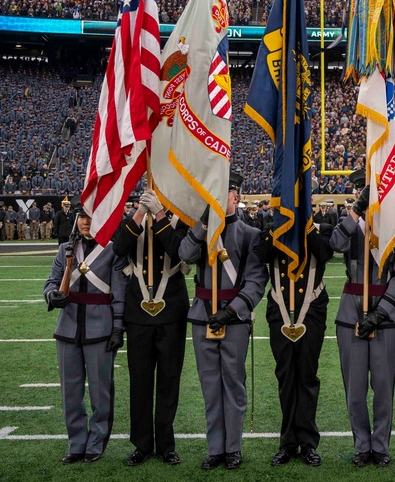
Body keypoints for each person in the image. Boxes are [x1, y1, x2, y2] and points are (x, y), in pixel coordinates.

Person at [177, 172, 266, 471]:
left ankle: (233, 448)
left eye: (223, 194)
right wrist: (202, 224)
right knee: (210, 386)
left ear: (235, 197)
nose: (217, 199)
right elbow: (185, 255)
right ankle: (215, 448)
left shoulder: (249, 234)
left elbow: (256, 281)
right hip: (203, 315)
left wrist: (234, 310)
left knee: (233, 385)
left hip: (234, 319)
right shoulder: (201, 230)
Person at [329, 169, 395, 468]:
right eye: (357, 191)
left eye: (366, 191)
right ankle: (361, 444)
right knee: (355, 389)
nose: (361, 195)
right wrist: (356, 212)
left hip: (385, 317)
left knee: (384, 386)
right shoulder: (347, 223)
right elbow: (334, 245)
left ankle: (380, 445)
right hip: (351, 313)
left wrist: (382, 311)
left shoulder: (394, 228)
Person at [42, 200, 128, 465]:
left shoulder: (113, 251)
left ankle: (96, 442)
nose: (86, 222)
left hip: (100, 328)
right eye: (82, 217)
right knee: (71, 391)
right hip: (68, 328)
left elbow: (119, 295)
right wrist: (51, 296)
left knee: (101, 392)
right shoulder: (64, 249)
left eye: (92, 217)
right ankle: (76, 442)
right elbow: (51, 282)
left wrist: (117, 328)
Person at [112, 189, 190, 468]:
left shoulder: (181, 220)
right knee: (140, 380)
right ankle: (142, 444)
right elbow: (119, 247)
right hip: (138, 312)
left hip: (171, 311)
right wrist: (139, 212)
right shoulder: (132, 219)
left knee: (170, 380)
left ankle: (166, 444)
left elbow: (177, 250)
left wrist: (159, 214)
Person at [261, 217, 333, 467]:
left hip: (311, 312)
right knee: (286, 377)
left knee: (307, 376)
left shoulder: (321, 227)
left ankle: (308, 443)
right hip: (279, 310)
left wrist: (306, 225)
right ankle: (288, 442)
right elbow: (262, 254)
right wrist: (280, 225)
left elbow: (324, 253)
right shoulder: (272, 228)